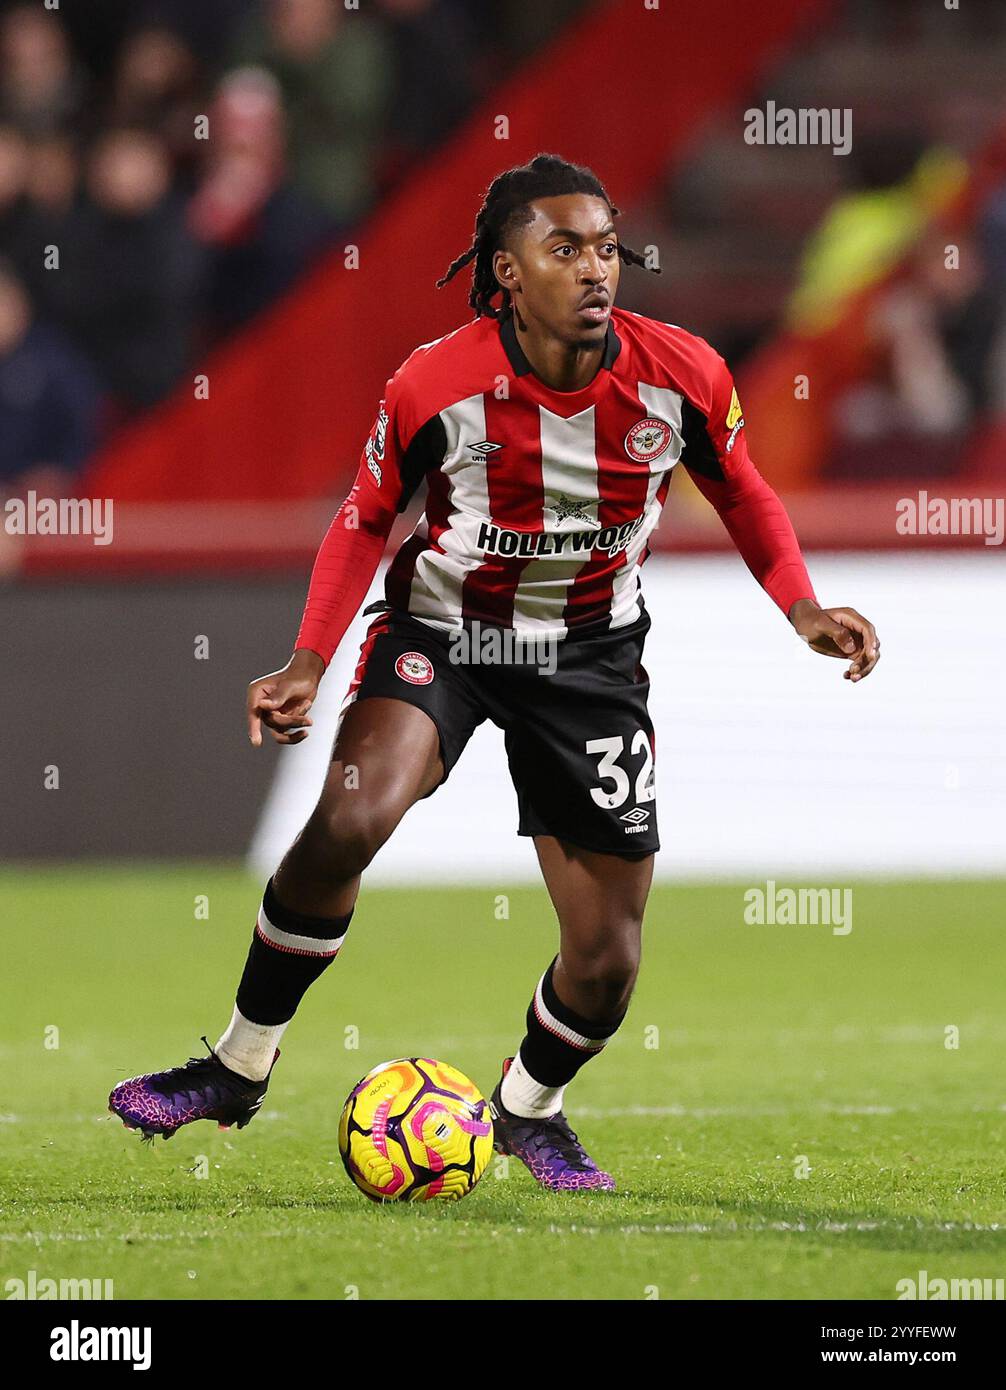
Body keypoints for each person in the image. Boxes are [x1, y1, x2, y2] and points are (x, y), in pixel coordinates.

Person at [109, 154, 880, 1191]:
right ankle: (239, 1065)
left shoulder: (681, 372)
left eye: (607, 246)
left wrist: (803, 608)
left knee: (606, 959)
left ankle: (527, 1110)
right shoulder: (434, 382)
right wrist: (308, 659)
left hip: (590, 660)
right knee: (346, 820)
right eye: (565, 249)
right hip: (448, 635)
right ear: (507, 271)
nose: (596, 269)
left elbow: (741, 492)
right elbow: (366, 515)